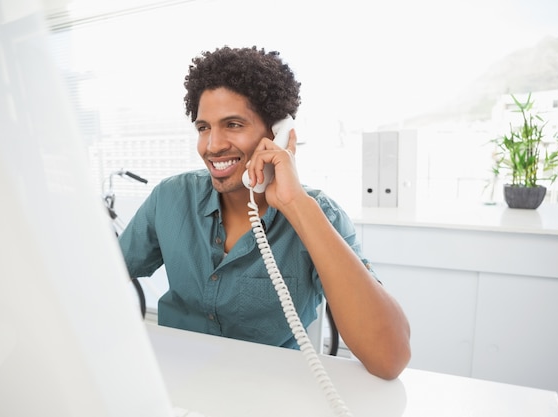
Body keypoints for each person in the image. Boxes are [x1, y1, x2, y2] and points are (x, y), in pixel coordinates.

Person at [118, 46, 410, 380]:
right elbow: (101, 277)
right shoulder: (171, 198)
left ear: (279, 134)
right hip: (178, 381)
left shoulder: (320, 214)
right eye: (203, 127)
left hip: (274, 391)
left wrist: (294, 203)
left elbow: (390, 358)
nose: (212, 145)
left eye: (233, 124)